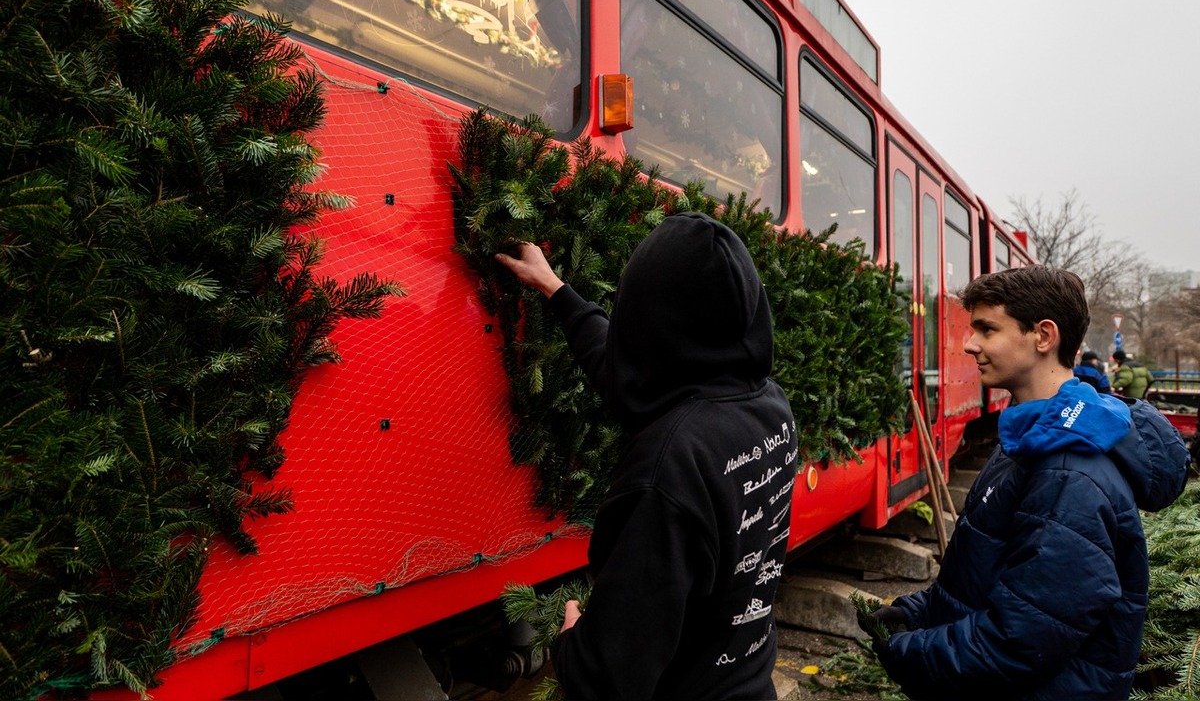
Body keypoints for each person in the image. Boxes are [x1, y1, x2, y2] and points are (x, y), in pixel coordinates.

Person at [495, 213, 797, 700]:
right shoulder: (770, 407)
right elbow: (628, 376)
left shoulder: (669, 468)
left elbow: (607, 680)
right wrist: (555, 289)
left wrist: (571, 642)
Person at [863, 266, 1189, 701]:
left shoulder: (1069, 470)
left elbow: (1018, 643)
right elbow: (998, 577)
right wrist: (918, 612)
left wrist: (907, 650)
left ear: (1043, 336)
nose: (969, 343)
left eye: (987, 329)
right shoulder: (1034, 438)